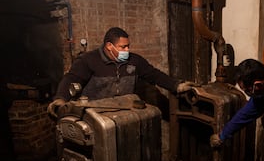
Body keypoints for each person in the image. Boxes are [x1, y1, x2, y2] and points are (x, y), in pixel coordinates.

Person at [47, 27, 195, 117]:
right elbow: (72, 78)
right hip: (96, 115)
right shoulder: (89, 60)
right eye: (123, 47)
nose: (127, 50)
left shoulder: (134, 61)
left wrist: (176, 86)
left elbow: (153, 74)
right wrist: (60, 98)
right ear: (109, 46)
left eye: (128, 46)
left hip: (125, 113)